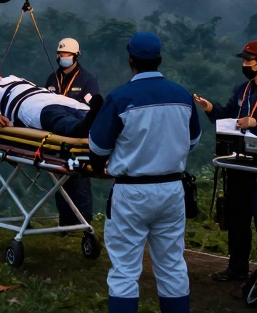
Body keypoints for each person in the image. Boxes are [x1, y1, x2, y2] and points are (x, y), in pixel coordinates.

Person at [90, 32, 201, 313]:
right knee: (172, 265)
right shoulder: (183, 95)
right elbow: (193, 141)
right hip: (172, 190)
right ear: (160, 60)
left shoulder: (119, 97)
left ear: (131, 60)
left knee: (125, 270)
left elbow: (98, 147)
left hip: (131, 192)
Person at [191, 40, 257, 282]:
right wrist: (211, 108)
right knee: (237, 217)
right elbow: (228, 116)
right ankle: (237, 267)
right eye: (243, 59)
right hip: (240, 163)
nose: (244, 64)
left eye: (249, 60)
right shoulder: (242, 90)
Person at [45, 38, 100, 227]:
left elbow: (89, 108)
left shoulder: (87, 79)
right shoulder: (53, 79)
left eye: (67, 54)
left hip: (78, 137)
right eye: (61, 54)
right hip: (57, 137)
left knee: (80, 180)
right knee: (61, 179)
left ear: (76, 56)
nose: (63, 57)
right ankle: (65, 223)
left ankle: (84, 222)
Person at [0, 69, 100, 137]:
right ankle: (82, 127)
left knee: (80, 109)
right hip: (28, 105)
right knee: (57, 118)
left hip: (49, 97)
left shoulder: (14, 78)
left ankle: (98, 119)